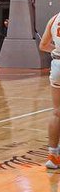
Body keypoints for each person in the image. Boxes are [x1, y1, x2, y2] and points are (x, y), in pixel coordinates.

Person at [37, 9, 60, 170]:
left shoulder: (55, 18)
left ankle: (52, 156)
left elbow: (43, 45)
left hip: (58, 65)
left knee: (57, 112)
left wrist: (56, 50)